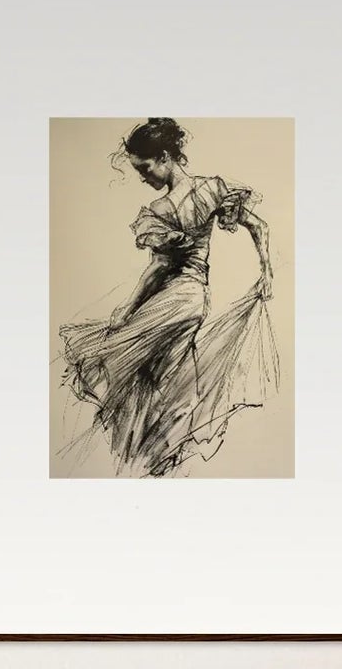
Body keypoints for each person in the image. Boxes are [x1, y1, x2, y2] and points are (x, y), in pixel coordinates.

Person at [60, 116, 279, 477]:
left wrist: (127, 308)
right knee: (165, 376)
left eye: (144, 169)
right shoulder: (212, 188)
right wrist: (266, 271)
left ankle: (151, 458)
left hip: (176, 299)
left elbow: (158, 268)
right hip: (195, 298)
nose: (143, 178)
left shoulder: (161, 210)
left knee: (128, 363)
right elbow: (259, 226)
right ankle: (162, 458)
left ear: (164, 156)